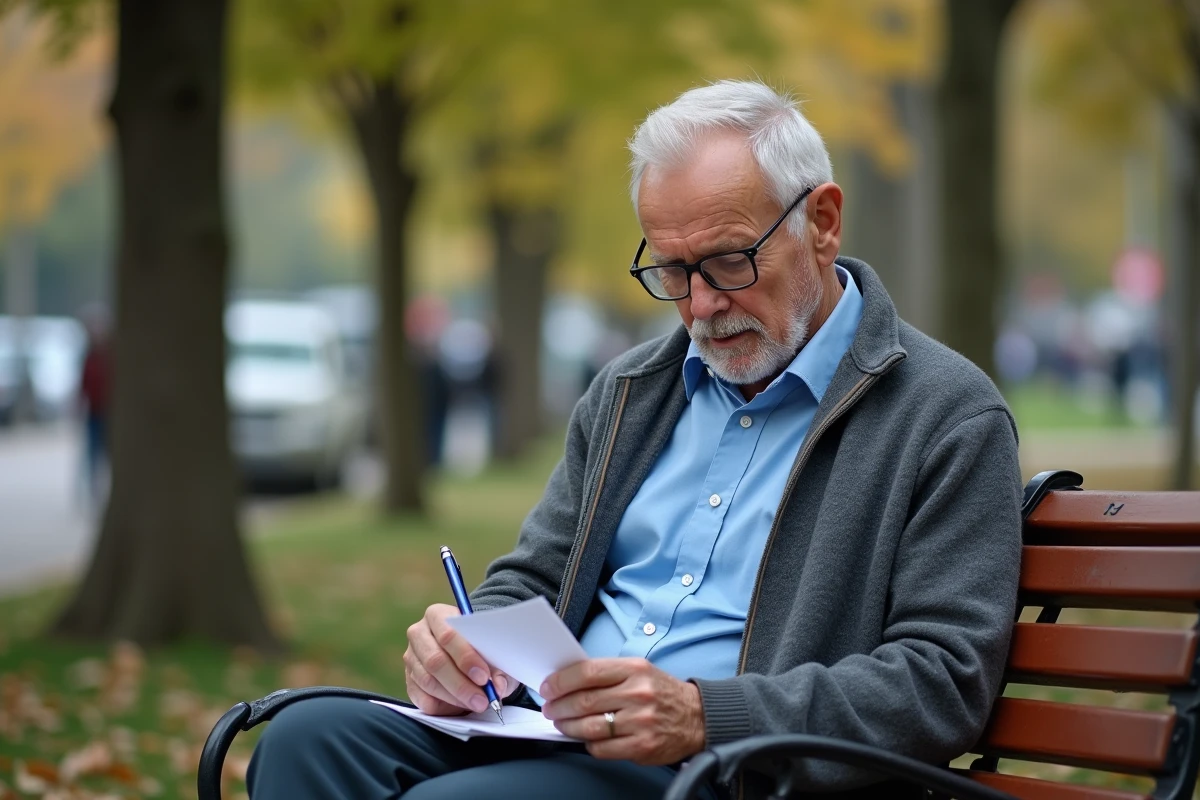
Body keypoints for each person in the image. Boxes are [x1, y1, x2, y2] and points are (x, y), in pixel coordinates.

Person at [247, 80, 1023, 800]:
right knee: (305, 743)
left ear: (821, 222)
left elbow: (942, 681)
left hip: (733, 769)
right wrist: (466, 646)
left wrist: (702, 714)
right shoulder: (631, 392)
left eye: (729, 260)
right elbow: (534, 577)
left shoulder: (943, 414)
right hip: (553, 732)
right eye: (673, 270)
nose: (704, 304)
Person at [78, 307, 112, 505]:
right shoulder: (89, 355)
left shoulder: (110, 356)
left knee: (107, 453)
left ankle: (104, 489)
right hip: (93, 412)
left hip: (109, 412)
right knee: (91, 454)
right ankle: (92, 492)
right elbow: (84, 382)